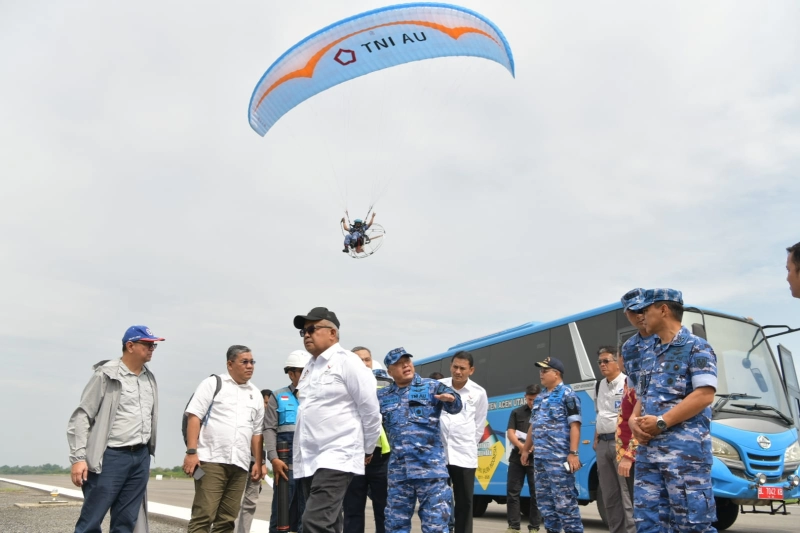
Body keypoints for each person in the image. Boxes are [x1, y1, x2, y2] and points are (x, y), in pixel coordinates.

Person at [628, 289, 719, 533]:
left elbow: (704, 395)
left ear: (664, 309)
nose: (642, 316)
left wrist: (661, 422)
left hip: (684, 457)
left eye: (646, 310)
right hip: (649, 455)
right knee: (649, 524)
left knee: (691, 525)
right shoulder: (647, 353)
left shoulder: (697, 348)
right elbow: (642, 396)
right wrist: (633, 422)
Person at [292, 307, 382, 533]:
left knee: (314, 522)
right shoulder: (310, 368)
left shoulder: (348, 362)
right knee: (330, 523)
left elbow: (370, 410)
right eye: (303, 332)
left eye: (312, 329)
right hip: (310, 457)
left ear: (332, 333)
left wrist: (367, 448)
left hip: (337, 454)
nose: (307, 335)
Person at [67, 325, 163, 533]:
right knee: (91, 521)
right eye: (147, 344)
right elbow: (82, 416)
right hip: (110, 457)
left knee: (126, 522)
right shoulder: (106, 374)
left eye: (153, 345)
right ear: (130, 346)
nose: (152, 348)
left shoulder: (149, 378)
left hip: (139, 457)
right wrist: (78, 458)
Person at [379, 347, 462, 533]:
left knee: (436, 526)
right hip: (399, 474)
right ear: (390, 372)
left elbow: (456, 404)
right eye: (399, 364)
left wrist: (450, 399)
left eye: (407, 361)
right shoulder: (383, 396)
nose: (405, 365)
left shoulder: (431, 386)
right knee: (395, 526)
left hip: (430, 472)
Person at [184, 345, 265, 533]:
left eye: (252, 362)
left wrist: (259, 462)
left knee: (227, 520)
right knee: (204, 515)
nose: (250, 366)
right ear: (230, 364)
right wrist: (191, 452)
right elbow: (194, 416)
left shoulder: (256, 394)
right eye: (244, 362)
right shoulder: (213, 384)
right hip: (211, 461)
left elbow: (257, 432)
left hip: (240, 464)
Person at [520, 356, 583, 533]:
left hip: (558, 460)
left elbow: (575, 425)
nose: (541, 374)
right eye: (540, 370)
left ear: (556, 374)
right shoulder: (539, 398)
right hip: (540, 460)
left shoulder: (568, 395)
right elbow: (534, 425)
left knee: (565, 504)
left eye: (545, 370)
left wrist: (573, 453)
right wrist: (526, 449)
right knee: (545, 505)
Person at [439, 350, 489, 533]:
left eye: (462, 368)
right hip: (439, 455)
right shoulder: (438, 387)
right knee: (438, 501)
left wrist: (468, 444)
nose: (458, 371)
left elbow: (479, 425)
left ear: (471, 370)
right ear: (450, 366)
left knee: (465, 502)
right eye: (455, 367)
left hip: (464, 456)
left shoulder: (479, 393)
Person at [343, 346, 391, 533]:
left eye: (367, 359)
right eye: (359, 360)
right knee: (352, 510)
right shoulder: (343, 386)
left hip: (381, 458)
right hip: (354, 455)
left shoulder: (385, 386)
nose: (364, 363)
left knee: (384, 510)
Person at [264, 350, 311, 533]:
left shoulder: (317, 397)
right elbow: (269, 429)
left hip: (309, 467)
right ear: (291, 374)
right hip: (285, 467)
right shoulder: (278, 396)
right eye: (302, 371)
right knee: (281, 514)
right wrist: (274, 458)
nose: (307, 375)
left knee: (306, 514)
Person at [593, 346, 633, 533]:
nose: (602, 365)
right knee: (609, 493)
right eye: (600, 362)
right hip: (603, 443)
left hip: (621, 444)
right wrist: (596, 438)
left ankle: (632, 530)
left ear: (618, 362)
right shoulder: (598, 385)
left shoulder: (627, 382)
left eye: (606, 361)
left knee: (626, 492)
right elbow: (599, 413)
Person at [505, 384, 542, 533]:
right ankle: (513, 526)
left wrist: (531, 448)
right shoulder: (517, 412)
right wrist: (523, 448)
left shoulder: (545, 413)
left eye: (535, 399)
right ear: (525, 397)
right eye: (530, 399)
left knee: (536, 493)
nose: (532, 402)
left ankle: (534, 527)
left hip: (536, 458)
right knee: (512, 492)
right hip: (517, 456)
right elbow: (511, 433)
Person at [236, 388, 274, 533]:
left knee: (250, 503)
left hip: (256, 465)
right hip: (243, 462)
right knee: (234, 502)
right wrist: (262, 463)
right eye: (265, 403)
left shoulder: (270, 420)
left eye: (269, 404)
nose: (266, 406)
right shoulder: (251, 414)